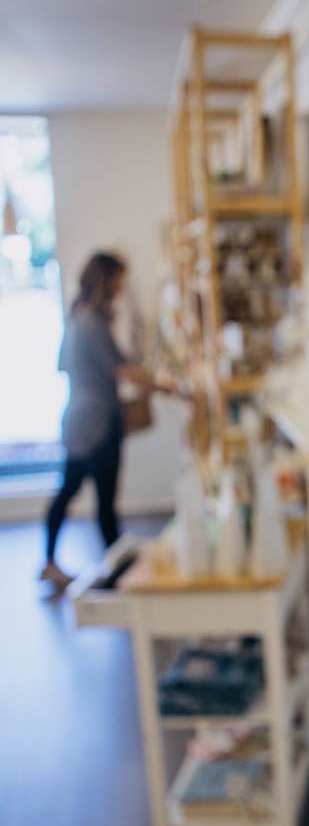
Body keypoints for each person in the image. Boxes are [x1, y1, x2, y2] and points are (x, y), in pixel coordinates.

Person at [41, 251, 167, 589]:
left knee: (70, 490)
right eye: (119, 281)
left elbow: (65, 366)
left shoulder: (77, 318)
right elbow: (124, 369)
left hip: (78, 419)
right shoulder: (92, 324)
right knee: (104, 501)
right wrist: (166, 387)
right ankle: (117, 573)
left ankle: (53, 561)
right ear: (106, 280)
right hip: (97, 424)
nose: (121, 288)